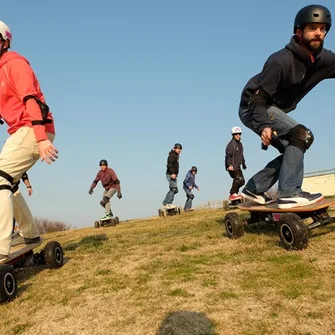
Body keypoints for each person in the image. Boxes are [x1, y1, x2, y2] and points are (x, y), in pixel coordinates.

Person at [238, 4, 334, 209]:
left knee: (293, 151)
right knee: (302, 134)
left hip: (270, 109)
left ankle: (253, 188)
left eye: (323, 28)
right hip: (254, 107)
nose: (318, 33)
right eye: (312, 28)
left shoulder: (324, 60)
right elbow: (258, 100)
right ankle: (289, 192)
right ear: (299, 32)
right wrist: (264, 125)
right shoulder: (280, 61)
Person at [0, 21, 58, 262]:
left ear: (3, 41)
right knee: (9, 185)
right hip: (20, 131)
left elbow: (30, 99)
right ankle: (31, 235)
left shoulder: (14, 63)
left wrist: (41, 138)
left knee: (0, 178)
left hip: (34, 127)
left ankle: (1, 247)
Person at [225, 126, 247, 202]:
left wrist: (243, 163)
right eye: (236, 134)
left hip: (238, 166)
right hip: (232, 166)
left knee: (242, 181)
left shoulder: (240, 144)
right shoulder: (231, 145)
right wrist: (229, 165)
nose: (238, 135)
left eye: (239, 134)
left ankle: (235, 198)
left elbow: (241, 155)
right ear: (233, 135)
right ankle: (233, 193)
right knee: (238, 178)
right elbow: (228, 156)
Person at [162, 143, 182, 208]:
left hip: (174, 174)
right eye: (178, 149)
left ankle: (165, 202)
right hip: (170, 174)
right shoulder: (172, 155)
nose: (179, 150)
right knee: (173, 189)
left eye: (180, 149)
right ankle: (168, 203)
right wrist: (172, 173)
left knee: (175, 190)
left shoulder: (176, 155)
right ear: (174, 148)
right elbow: (169, 164)